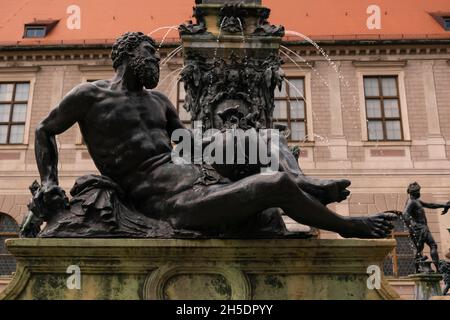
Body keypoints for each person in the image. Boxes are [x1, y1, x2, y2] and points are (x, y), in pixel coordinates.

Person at [34, 32, 396, 238]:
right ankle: (347, 225)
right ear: (127, 54)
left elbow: (189, 146)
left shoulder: (159, 101)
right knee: (274, 185)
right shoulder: (89, 95)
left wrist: (233, 139)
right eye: (150, 53)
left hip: (198, 176)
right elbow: (44, 131)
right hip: (167, 201)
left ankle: (306, 182)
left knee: (265, 140)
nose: (157, 61)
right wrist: (49, 182)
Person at [403, 182, 449, 271]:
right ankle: (421, 268)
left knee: (429, 246)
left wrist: (444, 205)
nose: (420, 192)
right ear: (414, 192)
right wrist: (412, 228)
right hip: (419, 228)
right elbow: (405, 214)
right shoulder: (411, 202)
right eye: (419, 191)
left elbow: (431, 205)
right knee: (423, 248)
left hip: (423, 227)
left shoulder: (417, 201)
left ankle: (436, 268)